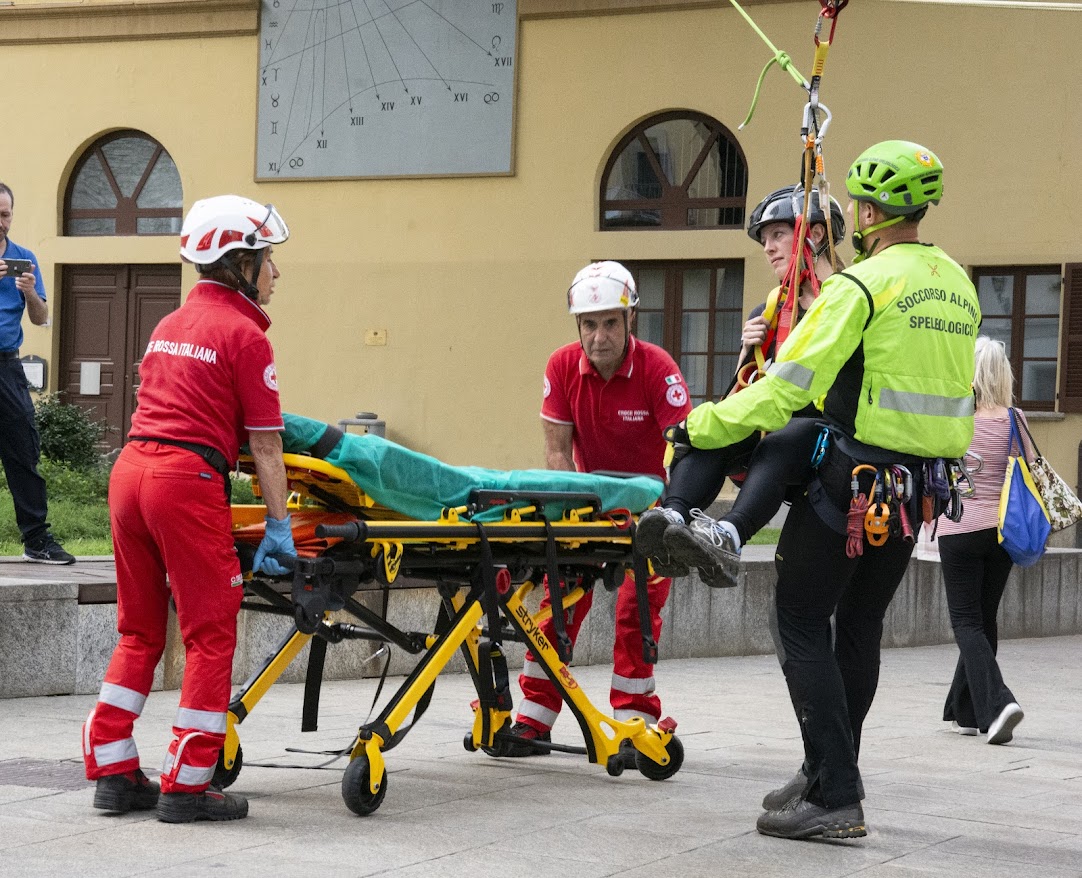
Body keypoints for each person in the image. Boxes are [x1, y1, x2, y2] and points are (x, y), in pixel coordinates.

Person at [675, 141, 980, 839]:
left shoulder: (861, 286)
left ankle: (836, 793)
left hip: (853, 481)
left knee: (800, 619)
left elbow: (785, 390)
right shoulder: (957, 284)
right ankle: (825, 770)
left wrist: (702, 423)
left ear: (868, 213)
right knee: (860, 626)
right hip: (918, 491)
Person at [81, 195, 297, 823]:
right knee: (210, 630)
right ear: (240, 264)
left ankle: (113, 770)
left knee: (140, 630)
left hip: (130, 474)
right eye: (268, 259)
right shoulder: (245, 336)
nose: (276, 272)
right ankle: (188, 784)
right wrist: (279, 524)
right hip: (184, 482)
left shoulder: (169, 324)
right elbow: (266, 446)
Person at [504, 260, 692, 765]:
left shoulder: (657, 368)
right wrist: (568, 523)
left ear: (631, 319)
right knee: (556, 605)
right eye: (589, 324)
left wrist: (672, 514)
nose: (599, 336)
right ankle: (533, 718)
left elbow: (685, 450)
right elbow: (557, 454)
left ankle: (636, 720)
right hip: (589, 508)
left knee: (637, 611)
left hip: (650, 512)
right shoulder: (561, 366)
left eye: (610, 322)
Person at [636, 184, 844, 587]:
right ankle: (671, 520)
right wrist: (749, 350)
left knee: (780, 439)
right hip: (773, 421)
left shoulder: (846, 303)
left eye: (778, 234)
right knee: (711, 429)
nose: (768, 248)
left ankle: (729, 535)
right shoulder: (770, 311)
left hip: (825, 433)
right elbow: (744, 391)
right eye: (764, 239)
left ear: (815, 234)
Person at [938, 336, 1025, 744]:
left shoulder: (956, 417)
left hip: (960, 529)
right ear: (1004, 374)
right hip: (1003, 532)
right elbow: (1027, 471)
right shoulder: (1016, 420)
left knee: (967, 623)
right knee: (984, 619)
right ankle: (966, 710)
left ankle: (998, 703)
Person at [0, 182, 75, 565]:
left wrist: (30, 291)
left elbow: (41, 317)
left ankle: (37, 540)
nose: (1, 221)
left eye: (5, 214)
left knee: (23, 451)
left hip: (7, 366)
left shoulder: (24, 258)